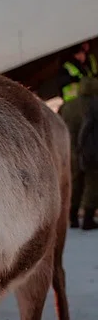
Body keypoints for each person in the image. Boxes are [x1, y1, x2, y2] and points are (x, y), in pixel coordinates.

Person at [59, 77, 98, 229]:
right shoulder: (94, 105)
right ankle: (88, 218)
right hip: (90, 151)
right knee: (92, 183)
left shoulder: (68, 105)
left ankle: (72, 217)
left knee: (75, 184)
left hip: (69, 150)